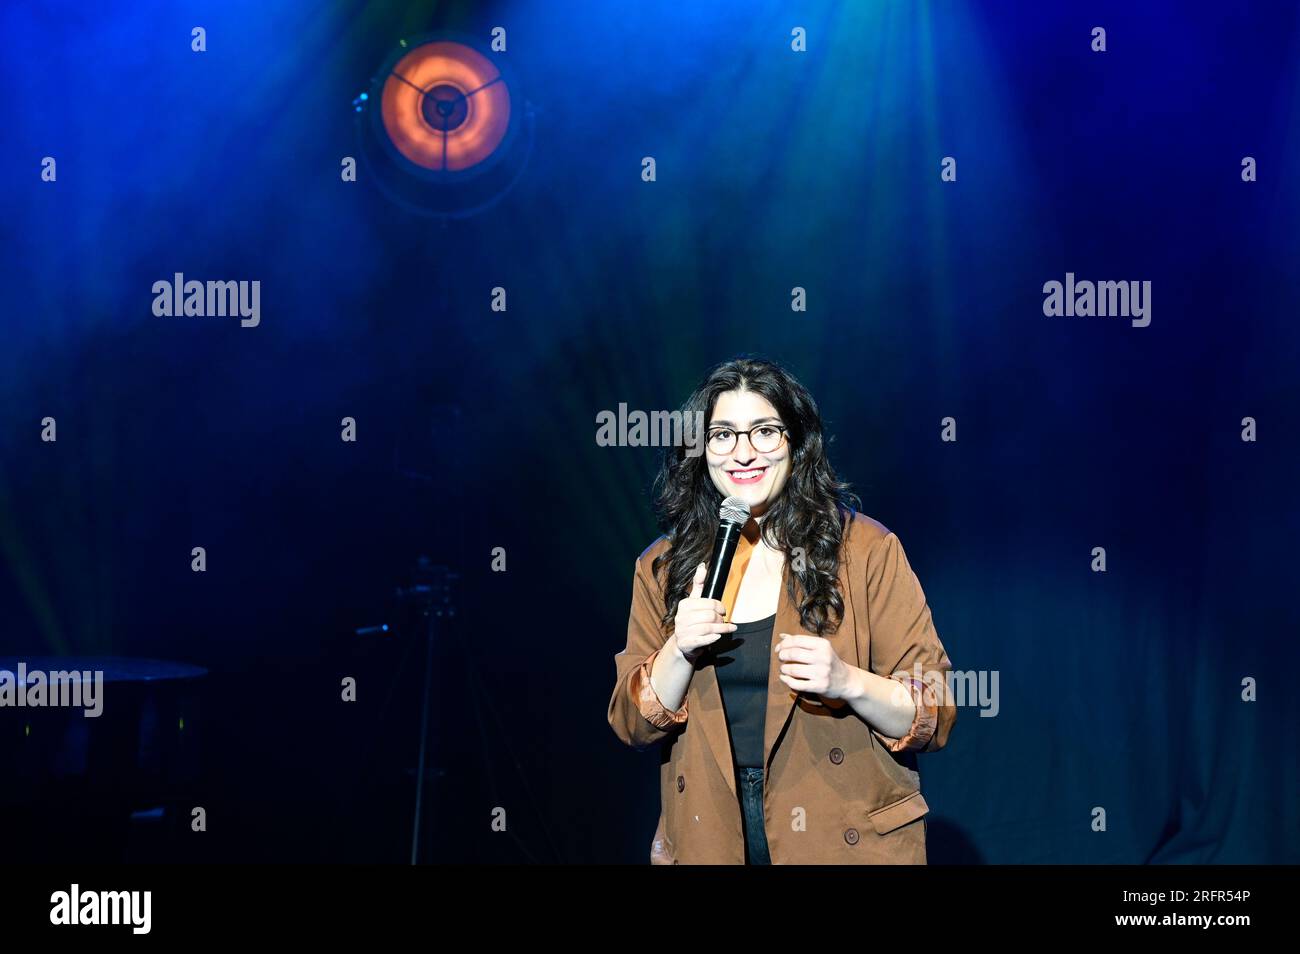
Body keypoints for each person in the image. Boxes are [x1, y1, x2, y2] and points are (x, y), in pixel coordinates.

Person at [607, 356, 957, 864]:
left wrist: (847, 682)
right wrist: (677, 651)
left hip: (837, 831)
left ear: (795, 442)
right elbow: (631, 724)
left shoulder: (863, 549)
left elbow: (935, 709)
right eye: (723, 434)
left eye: (765, 432)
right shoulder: (663, 566)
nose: (743, 453)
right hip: (713, 835)